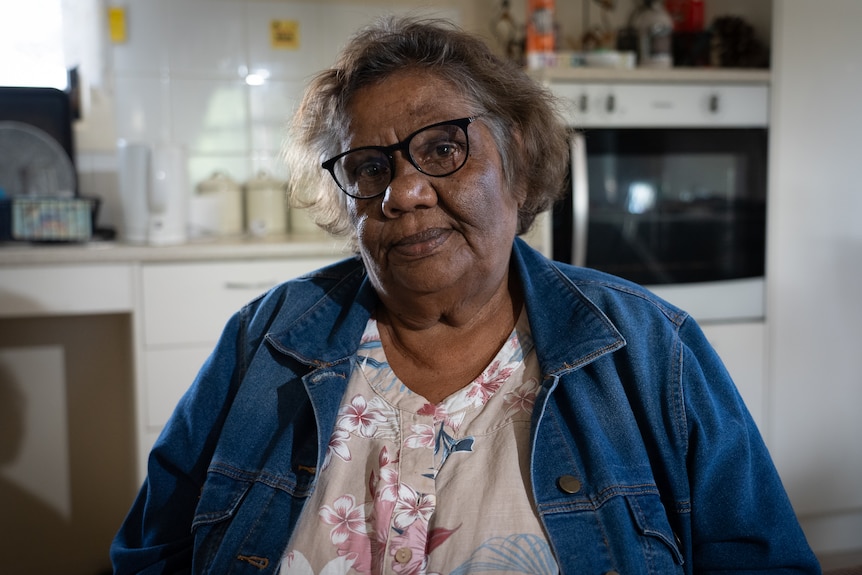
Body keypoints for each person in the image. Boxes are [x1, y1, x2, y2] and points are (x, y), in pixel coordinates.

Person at [111, 16, 821, 575]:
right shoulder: (262, 339)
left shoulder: (653, 348)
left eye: (444, 149)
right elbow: (149, 555)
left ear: (514, 160)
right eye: (369, 166)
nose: (405, 191)